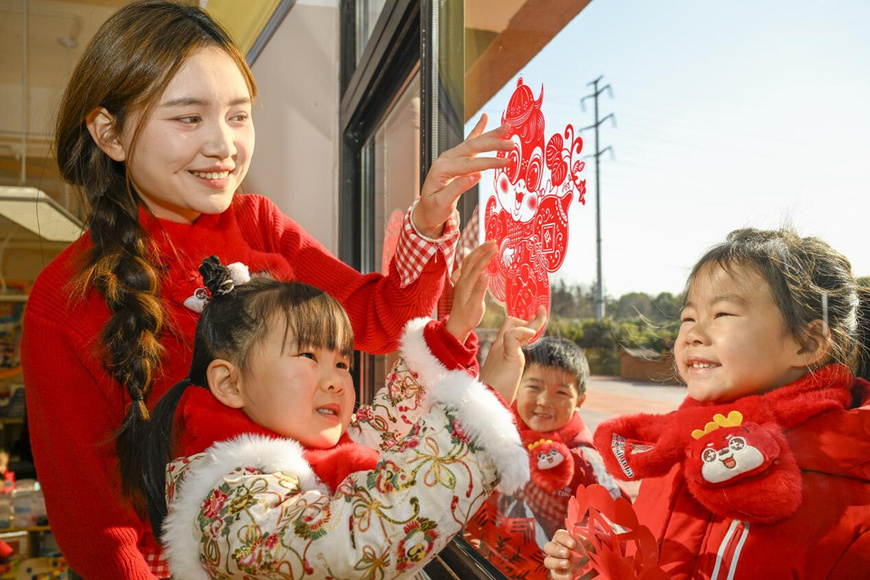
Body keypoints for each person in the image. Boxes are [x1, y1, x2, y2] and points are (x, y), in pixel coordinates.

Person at [19, 1, 513, 577]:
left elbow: (377, 320)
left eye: (238, 116)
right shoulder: (63, 303)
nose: (224, 146)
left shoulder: (257, 222)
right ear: (110, 134)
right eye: (188, 118)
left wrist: (427, 221)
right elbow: (100, 531)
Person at [139, 247, 542, 578]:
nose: (335, 380)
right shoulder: (231, 504)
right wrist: (481, 403)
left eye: (342, 364)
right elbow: (361, 542)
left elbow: (385, 428)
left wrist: (452, 335)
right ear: (230, 384)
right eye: (309, 355)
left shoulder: (304, 452)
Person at [544, 228, 870, 579]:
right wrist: (598, 565)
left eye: (722, 314)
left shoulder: (851, 494)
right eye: (688, 317)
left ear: (807, 344)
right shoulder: (674, 450)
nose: (693, 333)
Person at [464, 337, 623, 578]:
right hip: (483, 566)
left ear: (579, 401)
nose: (544, 401)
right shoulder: (499, 437)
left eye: (560, 392)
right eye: (534, 387)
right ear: (517, 386)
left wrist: (584, 543)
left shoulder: (584, 460)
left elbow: (618, 516)